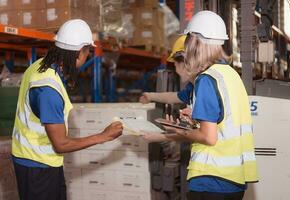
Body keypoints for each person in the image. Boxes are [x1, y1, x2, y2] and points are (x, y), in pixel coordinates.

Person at [142, 11, 258, 200]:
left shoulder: (206, 80)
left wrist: (180, 131)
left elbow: (208, 137)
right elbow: (222, 127)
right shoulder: (230, 75)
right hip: (233, 181)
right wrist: (190, 124)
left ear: (196, 43)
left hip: (211, 180)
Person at [11, 19, 123, 200]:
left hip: (30, 159)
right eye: (88, 52)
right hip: (38, 166)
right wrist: (104, 136)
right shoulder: (48, 90)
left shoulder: (39, 66)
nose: (87, 56)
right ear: (80, 52)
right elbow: (60, 144)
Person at [139, 35, 193, 106]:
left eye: (175, 65)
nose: (176, 70)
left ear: (183, 64)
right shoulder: (193, 87)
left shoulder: (203, 85)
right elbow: (173, 97)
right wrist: (150, 96)